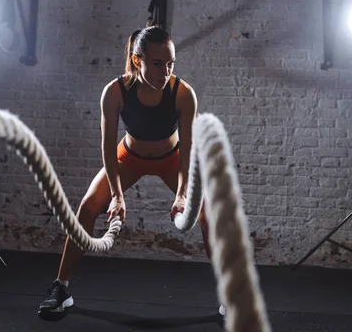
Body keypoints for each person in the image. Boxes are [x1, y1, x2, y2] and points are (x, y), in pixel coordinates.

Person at [38, 25, 225, 317]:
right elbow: (108, 147)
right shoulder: (114, 92)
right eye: (157, 64)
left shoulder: (182, 94)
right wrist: (116, 196)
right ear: (137, 61)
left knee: (207, 214)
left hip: (172, 158)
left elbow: (188, 150)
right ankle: (60, 287)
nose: (165, 72)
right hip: (129, 157)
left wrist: (180, 194)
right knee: (88, 206)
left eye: (171, 64)